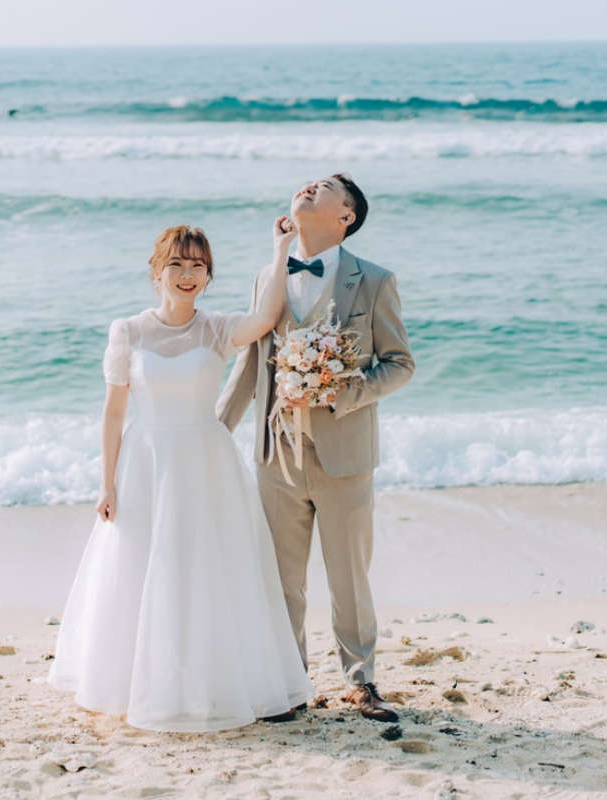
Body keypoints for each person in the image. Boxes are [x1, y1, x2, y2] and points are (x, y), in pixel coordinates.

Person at [48, 221, 315, 732]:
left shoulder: (216, 329)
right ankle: (141, 684)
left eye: (198, 266)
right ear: (157, 272)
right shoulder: (128, 330)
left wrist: (280, 249)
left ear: (208, 276)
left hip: (205, 458)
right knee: (146, 569)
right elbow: (112, 414)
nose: (187, 274)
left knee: (212, 569)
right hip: (146, 461)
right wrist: (106, 483)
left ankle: (226, 683)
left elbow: (266, 316)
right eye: (177, 264)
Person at [217, 174, 414, 722]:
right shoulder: (268, 274)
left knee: (349, 575)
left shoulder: (373, 280)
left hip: (344, 454)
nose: (307, 187)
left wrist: (345, 391)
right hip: (276, 454)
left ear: (345, 216)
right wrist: (211, 430)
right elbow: (251, 362)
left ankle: (363, 681)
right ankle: (289, 683)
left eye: (324, 187)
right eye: (305, 183)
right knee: (281, 579)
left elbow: (400, 363)